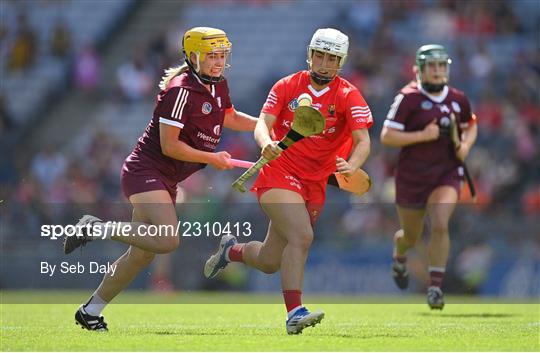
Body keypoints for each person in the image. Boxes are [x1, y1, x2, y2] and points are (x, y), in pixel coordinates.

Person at [64, 27, 257, 331]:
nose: (218, 62)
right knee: (168, 239)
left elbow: (228, 116)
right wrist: (213, 158)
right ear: (193, 57)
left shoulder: (217, 85)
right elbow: (170, 145)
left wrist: (264, 127)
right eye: (211, 56)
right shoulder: (180, 90)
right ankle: (96, 227)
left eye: (222, 55)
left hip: (165, 179)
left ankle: (90, 311)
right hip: (145, 172)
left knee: (141, 254)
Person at [204, 28, 372, 334]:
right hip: (279, 173)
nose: (324, 63)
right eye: (319, 55)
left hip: (315, 183)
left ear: (341, 62)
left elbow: (363, 141)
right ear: (310, 54)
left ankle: (231, 251)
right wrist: (265, 142)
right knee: (302, 236)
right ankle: (294, 313)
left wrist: (352, 164)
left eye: (332, 58)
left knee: (269, 261)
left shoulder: (349, 94)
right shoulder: (286, 85)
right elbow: (262, 125)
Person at [380, 44, 478, 309]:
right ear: (419, 69)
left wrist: (465, 146)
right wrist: (422, 136)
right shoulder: (408, 98)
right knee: (410, 237)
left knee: (439, 223)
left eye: (441, 66)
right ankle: (399, 256)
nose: (437, 71)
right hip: (412, 178)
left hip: (446, 174)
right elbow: (387, 135)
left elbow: (471, 125)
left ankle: (435, 287)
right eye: (431, 66)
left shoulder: (458, 98)